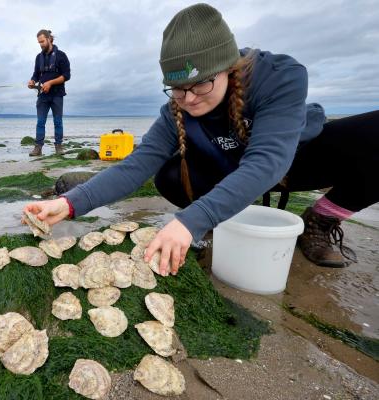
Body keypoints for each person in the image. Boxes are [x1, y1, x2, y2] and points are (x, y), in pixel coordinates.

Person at [23, 3, 378, 274]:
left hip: (293, 156)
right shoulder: (177, 107)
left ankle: (322, 219)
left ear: (227, 67)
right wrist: (69, 204)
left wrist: (192, 220)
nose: (189, 99)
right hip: (226, 164)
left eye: (201, 85)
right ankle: (222, 220)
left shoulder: (280, 77)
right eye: (177, 89)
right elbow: (136, 165)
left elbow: (267, 161)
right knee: (167, 173)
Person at [27, 29, 71, 157]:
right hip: (42, 96)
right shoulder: (38, 57)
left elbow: (66, 76)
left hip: (57, 94)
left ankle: (59, 146)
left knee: (58, 122)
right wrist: (32, 81)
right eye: (39, 42)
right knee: (40, 122)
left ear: (49, 39)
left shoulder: (61, 55)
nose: (41, 44)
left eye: (42, 41)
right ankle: (38, 148)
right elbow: (36, 74)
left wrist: (50, 83)